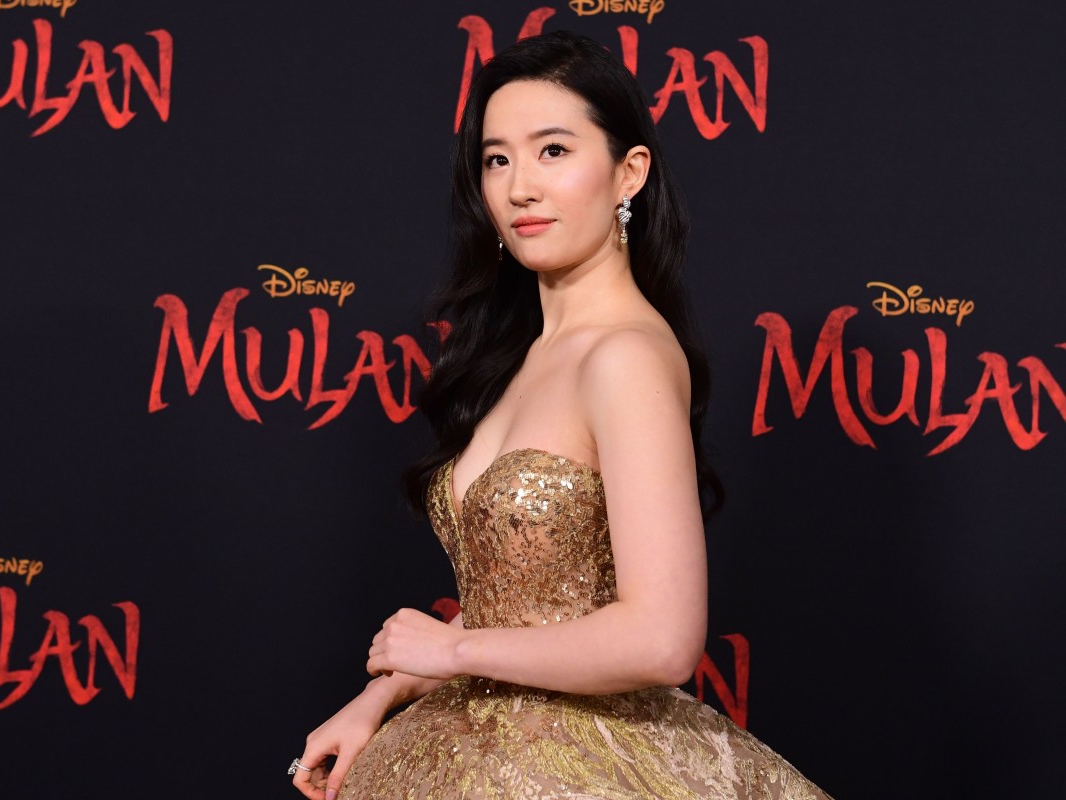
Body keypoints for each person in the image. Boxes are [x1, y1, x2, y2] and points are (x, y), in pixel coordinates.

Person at [290, 30, 833, 800]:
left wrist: (451, 652)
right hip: (465, 756)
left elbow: (663, 638)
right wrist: (383, 695)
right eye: (497, 159)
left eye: (553, 151)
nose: (520, 188)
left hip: (580, 770)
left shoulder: (626, 356)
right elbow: (522, 607)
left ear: (628, 173)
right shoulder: (521, 353)